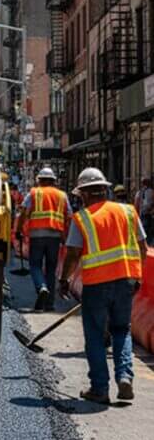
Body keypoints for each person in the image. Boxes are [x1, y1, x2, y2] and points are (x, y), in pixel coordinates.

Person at [60, 167, 145, 404]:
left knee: (96, 336)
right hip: (126, 281)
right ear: (105, 189)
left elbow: (73, 253)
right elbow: (141, 245)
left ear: (84, 194)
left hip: (97, 285)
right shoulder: (128, 211)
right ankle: (125, 376)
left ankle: (99, 388)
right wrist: (137, 276)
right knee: (121, 330)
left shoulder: (83, 219)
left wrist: (64, 280)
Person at [15, 166, 72, 312]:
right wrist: (67, 236)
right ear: (53, 181)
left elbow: (22, 212)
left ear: (39, 180)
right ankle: (49, 303)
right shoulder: (62, 195)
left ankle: (41, 287)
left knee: (35, 265)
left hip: (37, 235)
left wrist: (18, 230)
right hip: (55, 236)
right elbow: (69, 216)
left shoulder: (34, 193)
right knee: (51, 269)